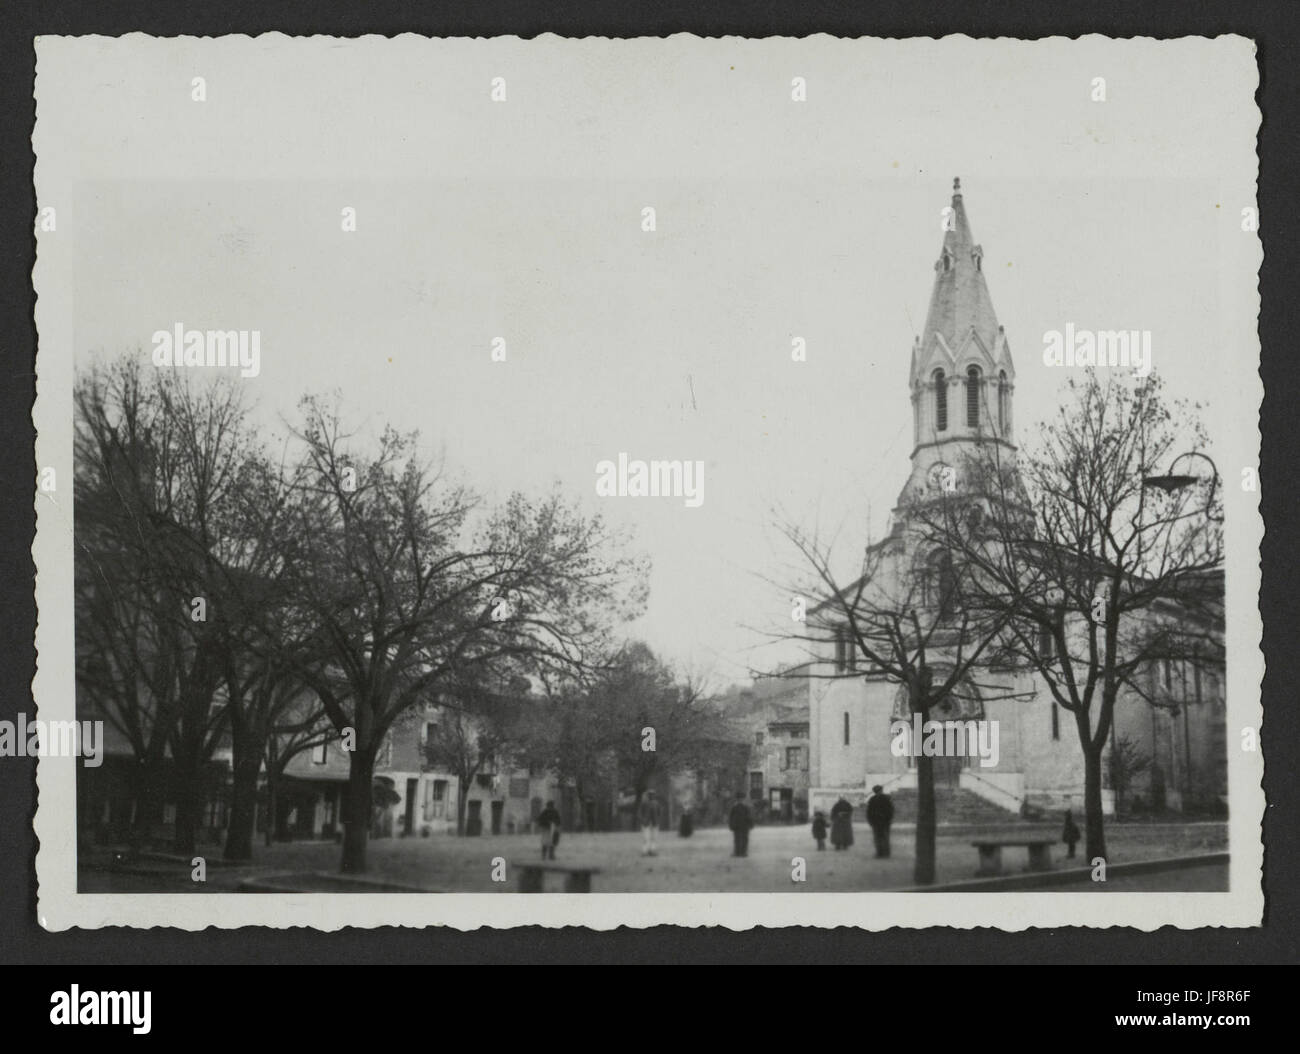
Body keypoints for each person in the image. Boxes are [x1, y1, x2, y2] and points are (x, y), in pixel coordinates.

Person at [865, 785, 894, 858]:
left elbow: (869, 811)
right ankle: (883, 853)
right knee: (883, 837)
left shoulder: (873, 799)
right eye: (878, 791)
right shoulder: (885, 798)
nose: (878, 792)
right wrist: (889, 819)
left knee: (879, 837)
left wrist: (870, 821)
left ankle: (881, 853)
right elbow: (891, 810)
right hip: (882, 821)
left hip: (879, 821)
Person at [638, 790, 661, 856]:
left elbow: (659, 813)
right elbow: (639, 813)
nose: (652, 796)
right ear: (648, 795)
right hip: (646, 824)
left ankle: (652, 851)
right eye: (650, 795)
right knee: (646, 838)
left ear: (654, 796)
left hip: (655, 823)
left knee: (654, 838)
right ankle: (645, 852)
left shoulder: (656, 803)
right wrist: (642, 820)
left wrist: (658, 820)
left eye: (653, 795)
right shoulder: (644, 803)